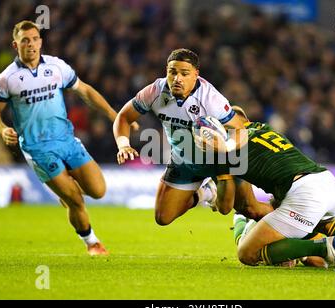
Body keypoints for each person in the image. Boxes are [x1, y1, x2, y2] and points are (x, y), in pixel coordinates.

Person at [209, 106, 335, 270]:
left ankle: (324, 248)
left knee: (246, 252)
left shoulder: (229, 150)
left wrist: (215, 197)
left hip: (304, 193)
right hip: (327, 180)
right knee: (325, 223)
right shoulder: (264, 129)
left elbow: (234, 207)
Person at [0, 20, 117, 256]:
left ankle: (65, 191)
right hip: (38, 149)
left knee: (98, 191)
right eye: (25, 40)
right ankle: (92, 242)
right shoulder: (7, 79)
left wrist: (113, 115)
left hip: (66, 140)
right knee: (76, 200)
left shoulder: (56, 67)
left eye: (35, 39)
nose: (31, 44)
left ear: (40, 41)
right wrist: (2, 129)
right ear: (15, 45)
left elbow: (85, 90)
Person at [113, 48, 271, 226]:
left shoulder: (211, 100)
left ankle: (301, 230)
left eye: (184, 73)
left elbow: (240, 129)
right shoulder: (154, 92)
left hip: (218, 160)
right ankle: (206, 193)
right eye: (172, 72)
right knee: (162, 217)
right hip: (184, 160)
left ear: (196, 74)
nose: (177, 78)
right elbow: (124, 117)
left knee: (247, 209)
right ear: (166, 71)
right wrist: (123, 144)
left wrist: (226, 150)